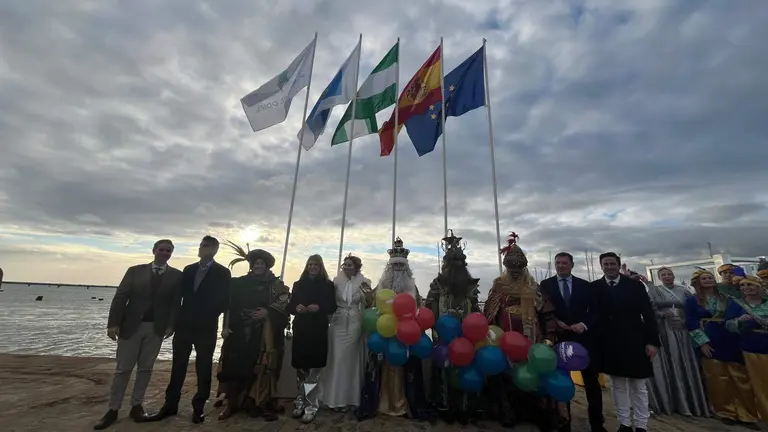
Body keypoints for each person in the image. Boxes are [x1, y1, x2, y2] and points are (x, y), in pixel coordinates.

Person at [94, 239, 183, 430]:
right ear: (154, 251)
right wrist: (113, 324)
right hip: (131, 326)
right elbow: (121, 297)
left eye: (168, 251)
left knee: (145, 369)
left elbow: (176, 303)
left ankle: (136, 406)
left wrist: (171, 325)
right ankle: (113, 409)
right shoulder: (135, 271)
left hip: (156, 329)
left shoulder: (176, 276)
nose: (165, 253)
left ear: (171, 253)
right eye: (162, 249)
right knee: (123, 369)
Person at [484, 233, 566, 431]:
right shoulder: (499, 287)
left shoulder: (534, 287)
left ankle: (537, 414)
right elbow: (489, 314)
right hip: (506, 341)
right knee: (507, 378)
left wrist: (549, 337)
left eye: (518, 270)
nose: (514, 273)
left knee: (533, 379)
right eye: (511, 269)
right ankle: (509, 413)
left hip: (532, 339)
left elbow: (547, 315)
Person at [147, 236, 231, 423]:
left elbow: (225, 302)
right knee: (178, 366)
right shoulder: (189, 269)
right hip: (184, 325)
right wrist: (173, 322)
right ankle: (170, 405)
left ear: (214, 250)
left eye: (205, 246)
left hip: (206, 327)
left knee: (203, 368)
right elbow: (179, 297)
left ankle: (198, 408)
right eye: (201, 245)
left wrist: (211, 317)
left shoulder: (222, 272)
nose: (201, 248)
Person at [359, 238, 432, 421]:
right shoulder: (381, 287)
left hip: (406, 336)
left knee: (406, 371)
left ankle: (403, 403)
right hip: (384, 335)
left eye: (401, 266)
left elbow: (418, 308)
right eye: (395, 266)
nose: (398, 269)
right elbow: (372, 306)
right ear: (389, 267)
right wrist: (368, 297)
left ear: (406, 268)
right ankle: (382, 403)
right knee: (382, 369)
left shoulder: (412, 288)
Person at [216, 249, 290, 422]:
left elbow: (285, 302)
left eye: (261, 264)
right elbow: (228, 306)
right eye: (256, 264)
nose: (258, 266)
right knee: (233, 365)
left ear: (266, 266)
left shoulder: (276, 285)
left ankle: (253, 401)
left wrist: (268, 312)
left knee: (258, 367)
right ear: (251, 265)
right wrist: (225, 327)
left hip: (263, 334)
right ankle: (232, 403)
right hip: (238, 330)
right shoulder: (239, 283)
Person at [593, 252, 660, 432]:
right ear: (601, 266)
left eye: (612, 264)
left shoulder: (634, 286)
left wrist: (652, 342)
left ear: (618, 264)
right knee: (618, 385)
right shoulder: (596, 287)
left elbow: (648, 314)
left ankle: (641, 425)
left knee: (639, 386)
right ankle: (624, 424)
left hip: (635, 341)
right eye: (605, 264)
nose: (609, 267)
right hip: (610, 343)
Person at [540, 251, 605, 432]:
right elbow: (543, 311)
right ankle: (563, 423)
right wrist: (555, 322)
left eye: (564, 263)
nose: (561, 266)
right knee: (561, 382)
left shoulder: (585, 286)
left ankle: (597, 424)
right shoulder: (546, 285)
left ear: (572, 265)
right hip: (559, 340)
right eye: (558, 263)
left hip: (584, 340)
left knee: (592, 385)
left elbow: (596, 312)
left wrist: (584, 324)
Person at [685, 269, 758, 428]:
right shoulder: (693, 300)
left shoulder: (728, 298)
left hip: (731, 338)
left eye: (710, 277)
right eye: (704, 278)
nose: (708, 280)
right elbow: (691, 322)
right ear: (697, 282)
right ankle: (725, 412)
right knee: (717, 378)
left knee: (740, 377)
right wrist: (702, 343)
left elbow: (740, 314)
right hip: (710, 340)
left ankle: (747, 414)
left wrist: (741, 321)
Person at [425, 230, 481, 425]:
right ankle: (447, 407)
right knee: (444, 368)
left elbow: (475, 312)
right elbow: (429, 309)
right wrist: (434, 326)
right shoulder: (438, 284)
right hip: (443, 336)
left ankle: (462, 409)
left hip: (466, 335)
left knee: (461, 368)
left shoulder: (470, 286)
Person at [645, 267, 708, 418]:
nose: (667, 276)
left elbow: (693, 311)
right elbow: (649, 308)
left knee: (685, 361)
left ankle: (690, 401)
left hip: (683, 329)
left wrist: (685, 321)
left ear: (674, 275)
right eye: (663, 275)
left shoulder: (684, 291)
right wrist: (661, 314)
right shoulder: (654, 291)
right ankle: (671, 401)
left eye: (669, 274)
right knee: (670, 360)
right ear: (659, 277)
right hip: (664, 330)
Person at [287, 254, 337, 423]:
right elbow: (290, 306)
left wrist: (319, 307)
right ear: (306, 266)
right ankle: (299, 402)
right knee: (300, 368)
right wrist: (296, 307)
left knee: (314, 370)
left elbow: (333, 306)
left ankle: (311, 405)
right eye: (310, 264)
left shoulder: (328, 285)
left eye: (315, 264)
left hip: (318, 330)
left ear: (321, 266)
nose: (312, 267)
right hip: (301, 329)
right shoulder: (298, 284)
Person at [321, 254, 372, 412]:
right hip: (338, 322)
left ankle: (350, 398)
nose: (347, 267)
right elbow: (328, 301)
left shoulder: (365, 283)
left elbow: (369, 303)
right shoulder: (336, 282)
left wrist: (368, 295)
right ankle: (334, 398)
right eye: (345, 264)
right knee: (337, 358)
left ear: (356, 267)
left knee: (350, 360)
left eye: (350, 265)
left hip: (355, 322)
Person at [724, 275, 767, 426]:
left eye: (750, 285)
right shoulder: (737, 304)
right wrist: (739, 321)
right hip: (750, 346)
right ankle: (752, 415)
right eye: (742, 286)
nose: (746, 288)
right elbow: (728, 324)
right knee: (753, 382)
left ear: (759, 287)